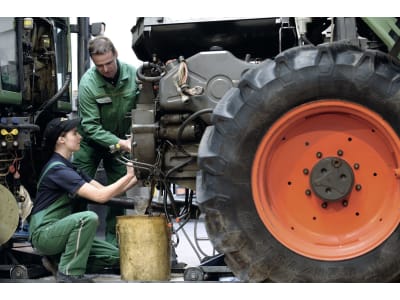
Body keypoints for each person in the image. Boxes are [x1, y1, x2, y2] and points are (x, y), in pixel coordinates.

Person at [29, 117, 138, 282]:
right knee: (87, 218)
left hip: (60, 234)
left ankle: (58, 260)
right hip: (44, 235)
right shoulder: (58, 170)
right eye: (75, 133)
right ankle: (69, 274)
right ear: (61, 139)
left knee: (118, 256)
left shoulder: (70, 168)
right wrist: (129, 174)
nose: (80, 137)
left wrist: (137, 176)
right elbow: (101, 197)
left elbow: (106, 192)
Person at [72, 36, 139, 246]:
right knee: (77, 189)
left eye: (109, 63)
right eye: (99, 65)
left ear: (116, 54)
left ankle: (113, 245)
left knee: (119, 190)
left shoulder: (133, 75)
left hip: (120, 143)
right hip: (90, 144)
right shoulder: (88, 83)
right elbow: (91, 127)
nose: (105, 69)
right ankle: (75, 239)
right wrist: (121, 142)